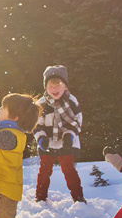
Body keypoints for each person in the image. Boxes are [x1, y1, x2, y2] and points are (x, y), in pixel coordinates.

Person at [33, 65, 86, 203]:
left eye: (58, 85)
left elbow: (77, 120)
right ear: (46, 87)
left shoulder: (71, 101)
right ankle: (40, 198)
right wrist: (41, 138)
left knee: (69, 170)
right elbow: (37, 124)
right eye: (51, 86)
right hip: (47, 143)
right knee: (44, 171)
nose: (54, 89)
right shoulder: (42, 104)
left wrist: (69, 135)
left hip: (66, 141)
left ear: (65, 86)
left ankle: (78, 197)